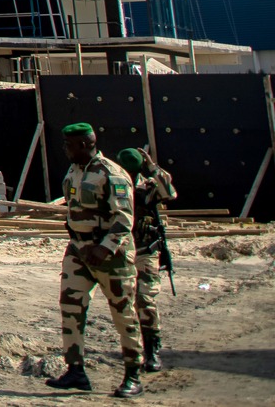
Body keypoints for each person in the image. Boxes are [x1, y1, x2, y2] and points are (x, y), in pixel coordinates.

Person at [45, 123, 141, 397]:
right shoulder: (74, 171)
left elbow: (124, 219)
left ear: (85, 144)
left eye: (70, 145)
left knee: (123, 313)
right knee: (70, 306)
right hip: (79, 251)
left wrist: (105, 248)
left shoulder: (112, 174)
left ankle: (133, 373)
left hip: (110, 256)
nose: (65, 149)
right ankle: (75, 370)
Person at [118, 147, 176, 374]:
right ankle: (134, 350)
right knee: (126, 302)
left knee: (144, 299)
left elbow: (169, 192)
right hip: (122, 251)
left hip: (145, 251)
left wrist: (152, 167)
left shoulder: (149, 186)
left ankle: (152, 351)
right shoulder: (115, 183)